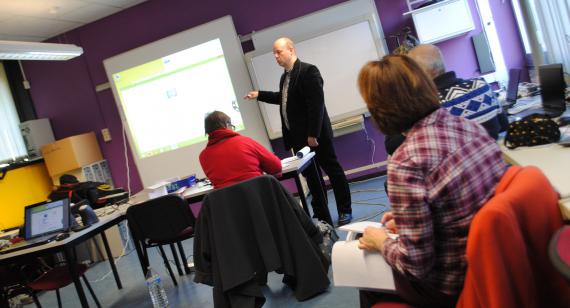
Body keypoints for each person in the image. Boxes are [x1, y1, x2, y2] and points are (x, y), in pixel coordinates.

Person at [356, 55, 508, 308]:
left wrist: (380, 240)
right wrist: (409, 220)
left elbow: (415, 265)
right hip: (495, 262)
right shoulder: (468, 127)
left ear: (378, 108)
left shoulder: (406, 162)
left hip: (453, 284)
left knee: (365, 277)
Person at [244, 37, 352, 226]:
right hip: (299, 139)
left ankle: (345, 211)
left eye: (279, 52)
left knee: (333, 171)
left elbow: (316, 106)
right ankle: (322, 215)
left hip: (316, 136)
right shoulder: (285, 76)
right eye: (274, 54)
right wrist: (259, 95)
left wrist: (313, 134)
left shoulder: (309, 71)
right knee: (312, 178)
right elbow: (283, 99)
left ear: (291, 50)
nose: (276, 56)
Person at [384, 44, 503, 156]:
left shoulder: (425, 107)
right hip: (493, 164)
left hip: (458, 174)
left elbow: (392, 145)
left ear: (422, 73)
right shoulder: (481, 85)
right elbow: (503, 124)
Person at [199, 111, 282, 189]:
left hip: (229, 204)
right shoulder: (245, 142)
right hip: (259, 198)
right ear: (227, 125)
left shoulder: (203, 156)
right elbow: (276, 167)